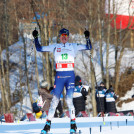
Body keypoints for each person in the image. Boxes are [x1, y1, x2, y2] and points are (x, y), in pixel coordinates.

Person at [32, 28, 92, 134]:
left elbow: (89, 47)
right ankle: (47, 126)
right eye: (62, 36)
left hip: (70, 76)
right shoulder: (55, 46)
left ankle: (73, 125)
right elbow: (39, 48)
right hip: (59, 76)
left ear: (68, 37)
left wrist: (87, 37)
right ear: (59, 37)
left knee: (69, 100)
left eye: (66, 36)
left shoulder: (73, 46)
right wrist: (36, 38)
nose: (64, 37)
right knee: (54, 101)